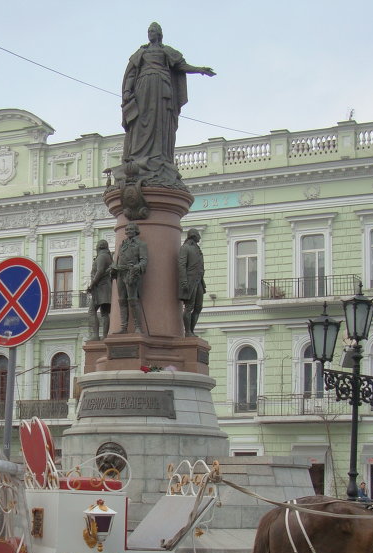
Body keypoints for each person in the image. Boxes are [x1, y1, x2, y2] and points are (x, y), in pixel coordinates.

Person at [121, 22, 215, 189]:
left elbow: (182, 66)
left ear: (160, 34)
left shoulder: (167, 52)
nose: (151, 33)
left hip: (162, 90)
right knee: (142, 122)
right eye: (149, 30)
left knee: (160, 123)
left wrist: (200, 69)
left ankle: (160, 158)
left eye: (154, 31)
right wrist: (128, 91)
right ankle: (139, 157)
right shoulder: (141, 52)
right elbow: (131, 74)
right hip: (143, 89)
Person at [114, 222, 148, 334]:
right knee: (121, 300)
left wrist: (137, 267)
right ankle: (123, 327)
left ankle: (138, 327)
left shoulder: (141, 244)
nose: (128, 231)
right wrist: (113, 267)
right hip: (120, 273)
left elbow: (144, 261)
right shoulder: (122, 245)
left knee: (132, 300)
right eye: (127, 229)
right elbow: (117, 260)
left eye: (131, 229)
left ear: (136, 231)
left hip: (131, 273)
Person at [177, 228, 206, 336]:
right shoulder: (186, 248)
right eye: (198, 235)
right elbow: (182, 265)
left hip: (199, 281)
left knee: (198, 307)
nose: (200, 237)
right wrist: (184, 281)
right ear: (193, 235)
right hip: (189, 281)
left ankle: (192, 330)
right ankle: (188, 331)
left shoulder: (197, 249)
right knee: (189, 307)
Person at [87, 240, 113, 340]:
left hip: (100, 288)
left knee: (91, 311)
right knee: (104, 313)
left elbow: (100, 271)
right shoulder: (108, 256)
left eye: (97, 246)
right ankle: (105, 335)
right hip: (106, 287)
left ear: (99, 246)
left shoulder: (102, 256)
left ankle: (95, 335)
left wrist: (92, 284)